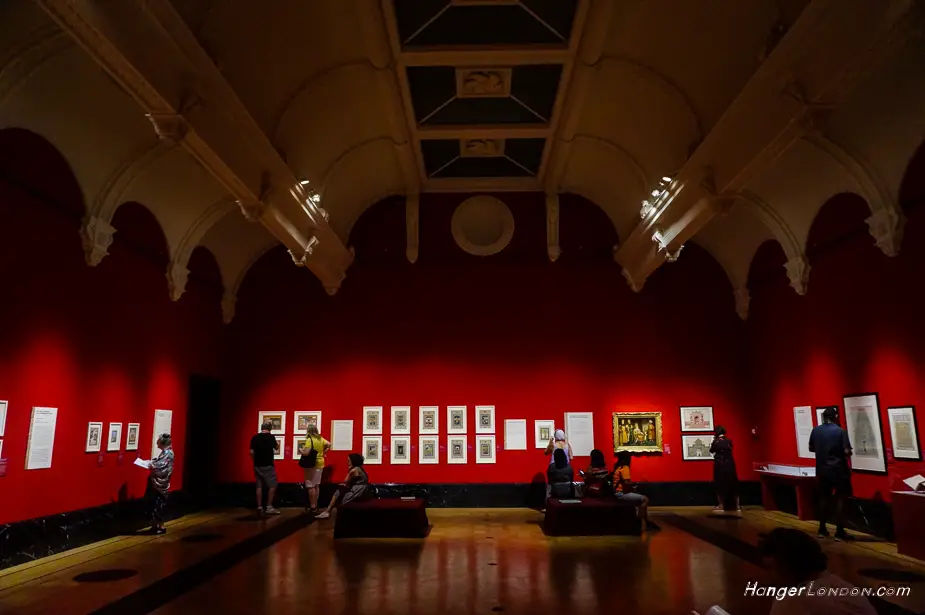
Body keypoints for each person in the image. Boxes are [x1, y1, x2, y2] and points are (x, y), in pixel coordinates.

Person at [759, 528, 876, 615]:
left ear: (788, 566)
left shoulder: (791, 602)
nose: (770, 577)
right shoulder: (843, 587)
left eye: (772, 569)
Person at [809, 407, 853, 539]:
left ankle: (822, 529)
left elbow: (811, 448)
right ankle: (839, 531)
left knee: (823, 498)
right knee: (840, 498)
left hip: (822, 470)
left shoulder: (816, 431)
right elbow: (846, 452)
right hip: (838, 470)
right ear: (835, 417)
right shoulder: (840, 431)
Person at [613, 451, 659, 530]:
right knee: (645, 499)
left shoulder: (618, 467)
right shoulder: (625, 468)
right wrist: (633, 488)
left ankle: (647, 522)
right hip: (621, 494)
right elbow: (627, 483)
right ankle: (638, 521)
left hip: (616, 493)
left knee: (640, 500)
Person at [315, 453, 369, 519]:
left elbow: (346, 481)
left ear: (353, 461)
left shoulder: (354, 470)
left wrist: (349, 471)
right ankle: (327, 511)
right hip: (363, 490)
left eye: (349, 461)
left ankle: (327, 511)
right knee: (339, 491)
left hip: (357, 491)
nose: (348, 462)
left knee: (338, 492)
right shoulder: (360, 468)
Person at [250, 421, 281, 516]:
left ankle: (259, 507)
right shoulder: (271, 437)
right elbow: (276, 448)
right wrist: (277, 445)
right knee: (272, 486)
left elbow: (251, 452)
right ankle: (269, 507)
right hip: (268, 465)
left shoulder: (254, 438)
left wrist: (255, 461)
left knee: (259, 486)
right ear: (270, 428)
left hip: (257, 465)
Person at [146, 433, 174, 535]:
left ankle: (161, 526)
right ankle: (154, 525)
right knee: (153, 504)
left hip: (160, 484)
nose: (157, 443)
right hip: (157, 483)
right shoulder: (165, 453)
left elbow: (162, 466)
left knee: (159, 505)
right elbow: (160, 462)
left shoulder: (168, 453)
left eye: (158, 442)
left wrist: (152, 465)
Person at [299, 424, 331, 514]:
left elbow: (306, 453)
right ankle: (316, 505)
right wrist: (324, 452)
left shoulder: (309, 440)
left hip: (311, 464)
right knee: (316, 485)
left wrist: (300, 450)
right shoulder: (320, 438)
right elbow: (329, 444)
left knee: (310, 486)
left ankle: (312, 506)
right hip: (320, 463)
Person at [710, 426, 740, 511]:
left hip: (719, 465)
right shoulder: (729, 441)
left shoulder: (716, 442)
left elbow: (712, 450)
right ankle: (737, 506)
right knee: (733, 484)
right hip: (730, 464)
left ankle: (721, 505)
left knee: (720, 484)